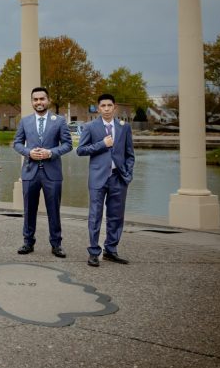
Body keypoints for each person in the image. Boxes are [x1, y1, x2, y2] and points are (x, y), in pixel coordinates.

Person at [12, 87, 73, 257]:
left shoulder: (59, 121)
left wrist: (51, 152)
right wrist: (28, 152)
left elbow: (68, 145)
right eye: (35, 99)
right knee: (29, 209)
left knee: (53, 210)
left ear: (48, 100)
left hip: (52, 173)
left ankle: (56, 244)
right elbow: (17, 143)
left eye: (42, 99)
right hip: (30, 172)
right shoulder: (25, 121)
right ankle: (28, 242)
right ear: (32, 101)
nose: (39, 102)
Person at [77, 93, 135, 267]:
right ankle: (94, 252)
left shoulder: (124, 127)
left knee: (116, 216)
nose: (107, 109)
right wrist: (102, 144)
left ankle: (111, 250)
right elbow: (81, 150)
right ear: (98, 108)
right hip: (98, 178)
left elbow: (130, 154)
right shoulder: (90, 127)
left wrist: (128, 174)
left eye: (110, 105)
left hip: (119, 178)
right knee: (95, 215)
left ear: (114, 107)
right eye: (103, 106)